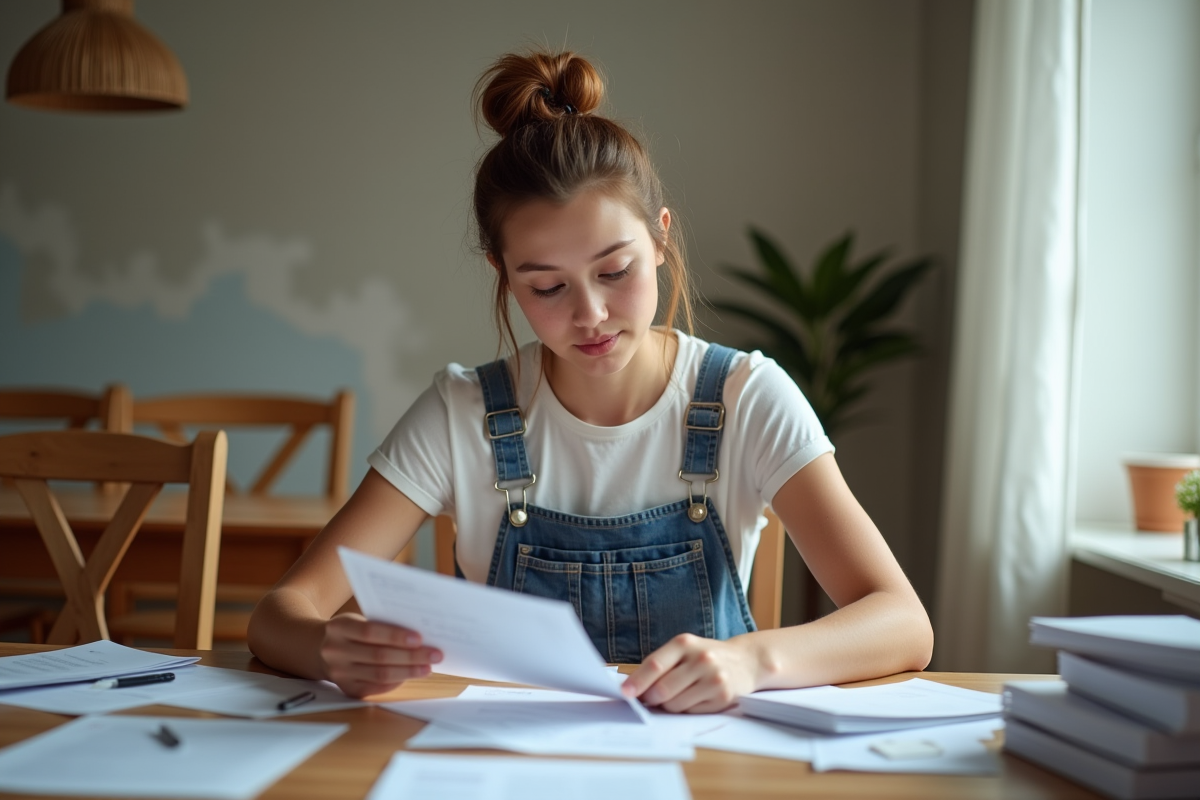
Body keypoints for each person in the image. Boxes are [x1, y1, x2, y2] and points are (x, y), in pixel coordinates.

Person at [248, 49, 933, 714]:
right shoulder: (462, 412)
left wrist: (751, 660)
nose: (591, 315)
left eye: (615, 271)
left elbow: (903, 622)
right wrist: (327, 646)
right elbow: (280, 616)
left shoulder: (745, 397)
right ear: (503, 274)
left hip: (705, 769)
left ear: (660, 239)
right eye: (547, 286)